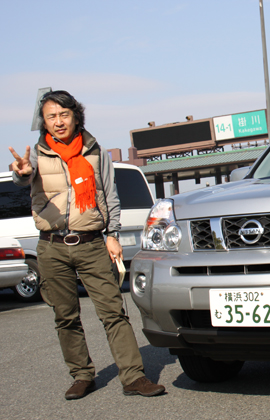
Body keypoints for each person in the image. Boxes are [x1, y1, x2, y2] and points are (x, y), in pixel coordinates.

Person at [9, 90, 165, 400]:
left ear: (76, 116)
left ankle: (133, 376)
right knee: (65, 315)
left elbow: (110, 196)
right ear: (44, 122)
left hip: (92, 243)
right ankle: (81, 375)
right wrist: (22, 173)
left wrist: (112, 234)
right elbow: (25, 180)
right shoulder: (39, 155)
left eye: (64, 115)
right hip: (51, 246)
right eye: (51, 116)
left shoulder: (96, 152)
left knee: (113, 312)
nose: (58, 121)